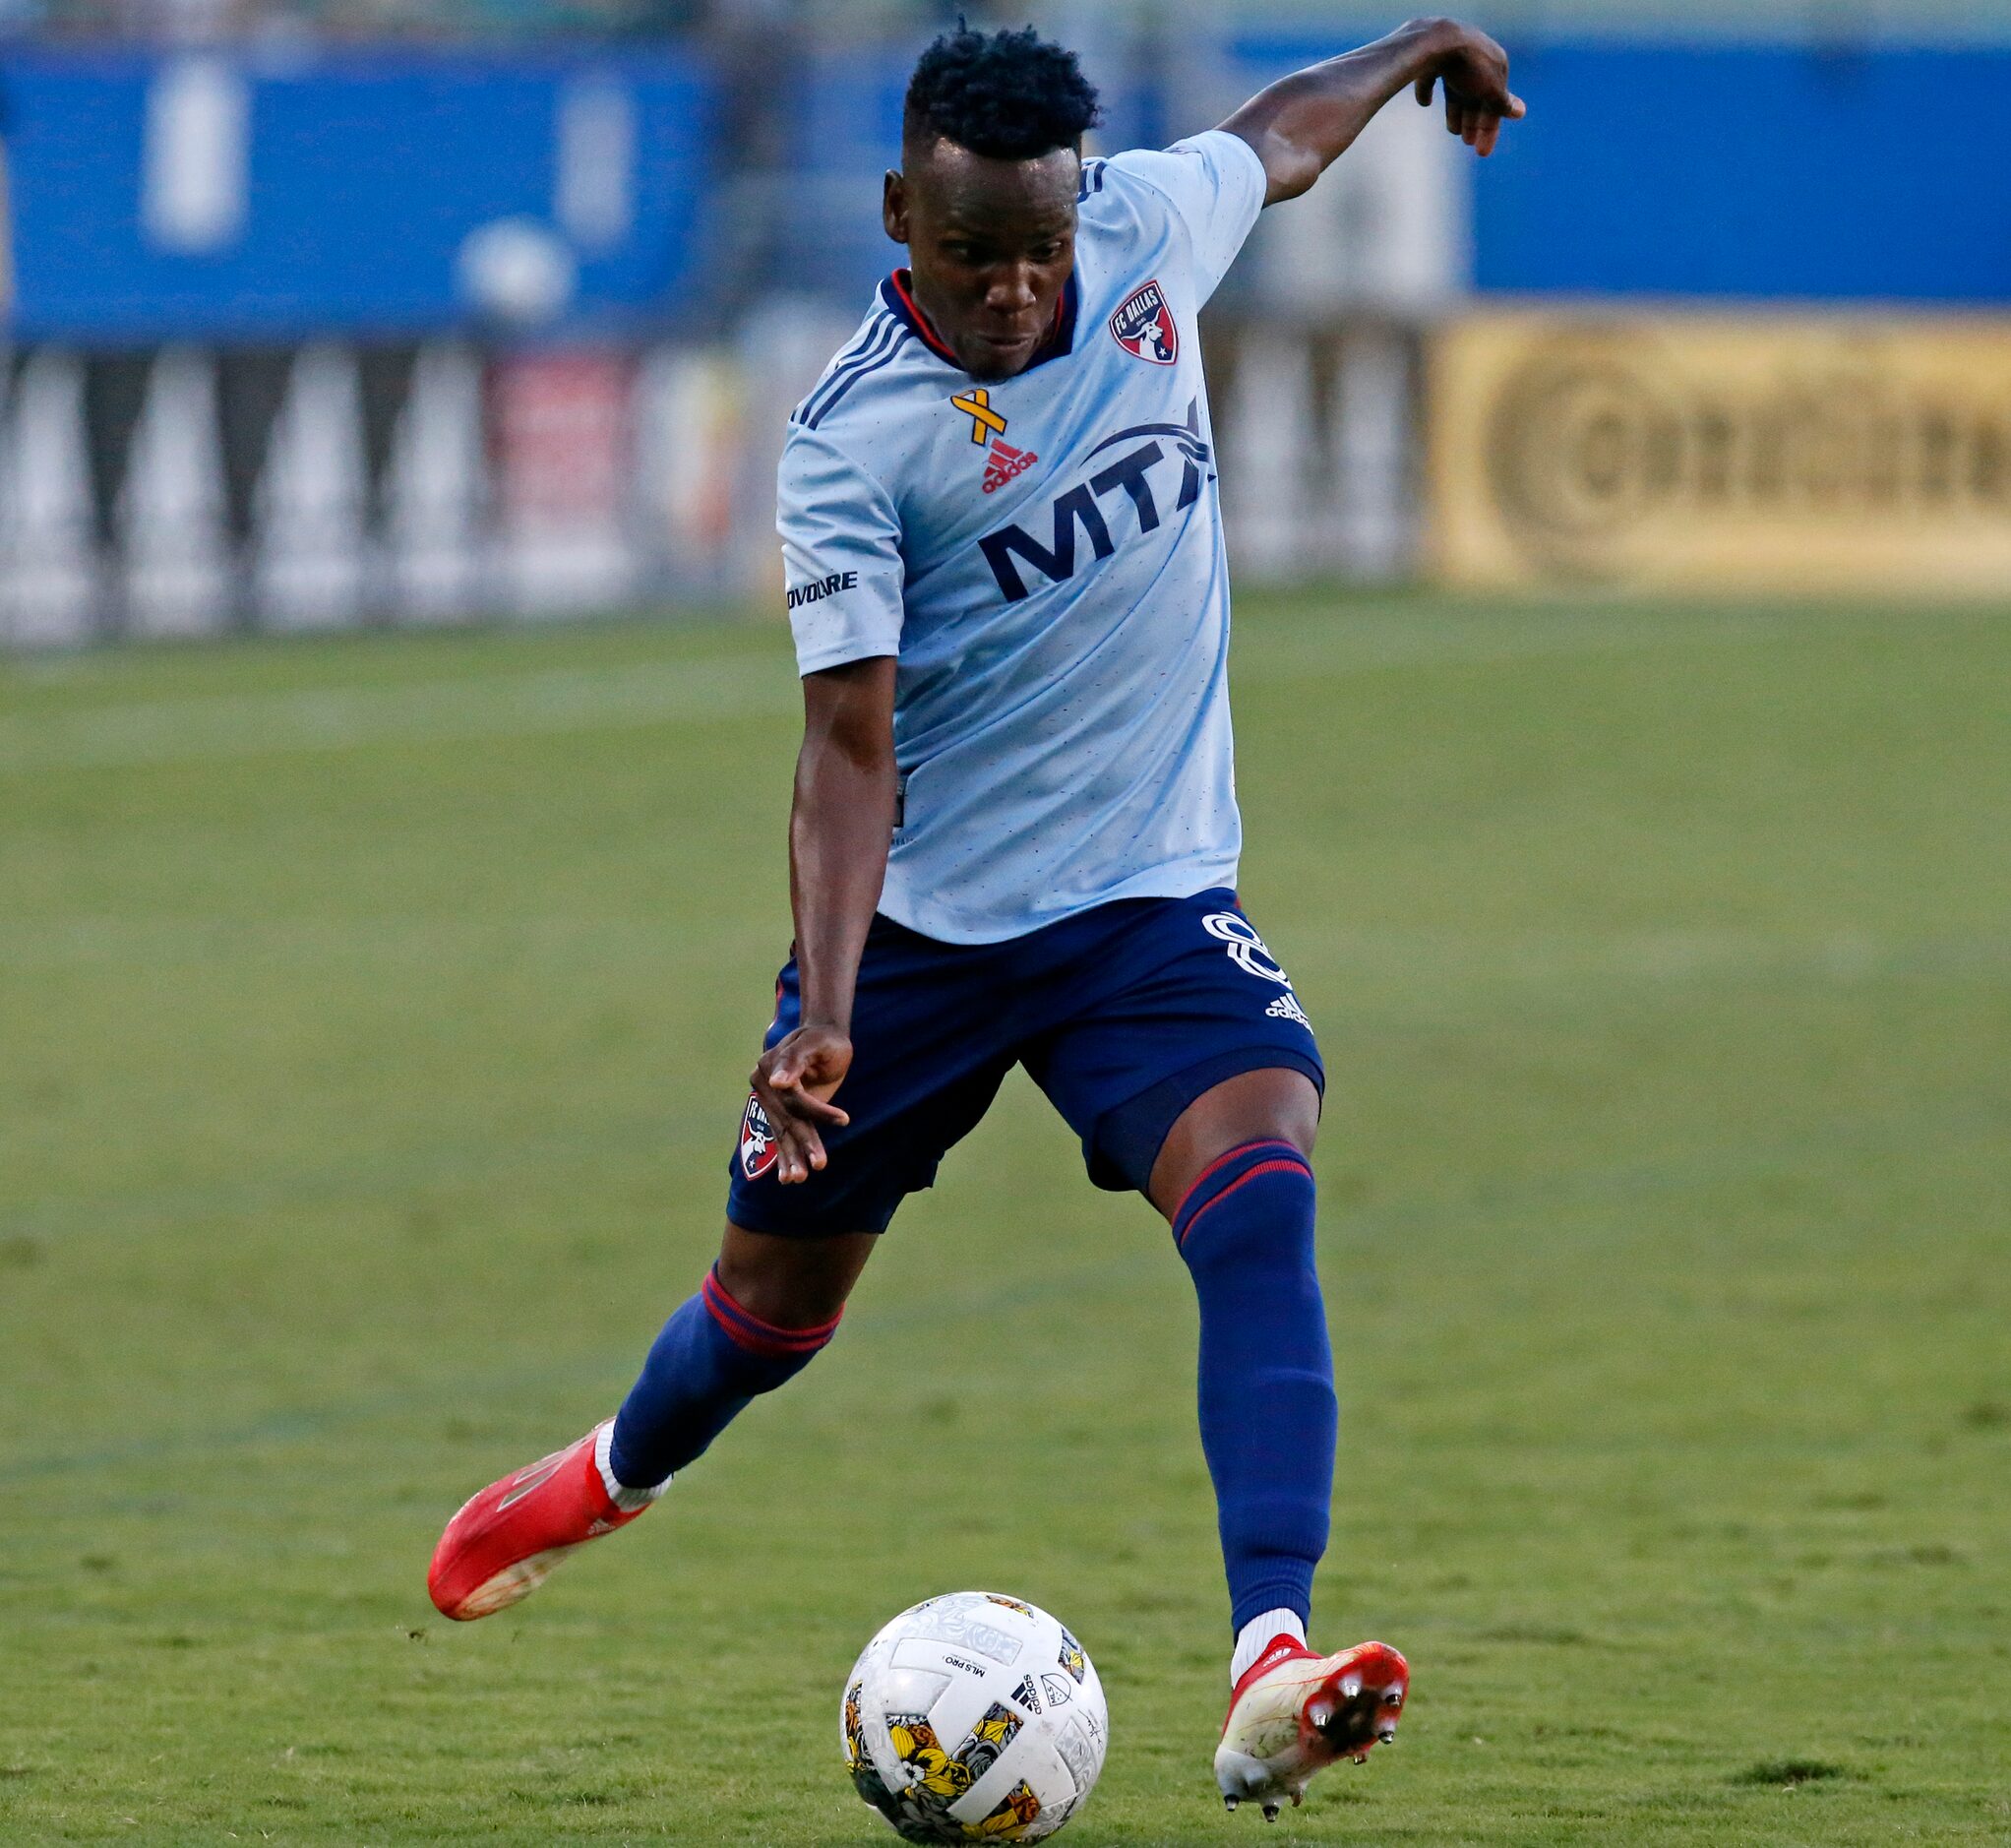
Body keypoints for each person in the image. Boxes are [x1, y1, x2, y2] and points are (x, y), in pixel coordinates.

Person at [429, 17, 1522, 1820]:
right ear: (897, 216)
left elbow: (1283, 134)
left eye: (1039, 246)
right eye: (971, 254)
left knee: (1263, 1179)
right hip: (919, 943)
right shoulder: (855, 438)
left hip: (1147, 906)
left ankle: (1268, 1660)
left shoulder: (1150, 233)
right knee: (767, 1319)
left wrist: (1423, 46)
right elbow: (846, 749)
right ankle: (607, 1473)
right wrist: (827, 1009)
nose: (1017, 288)